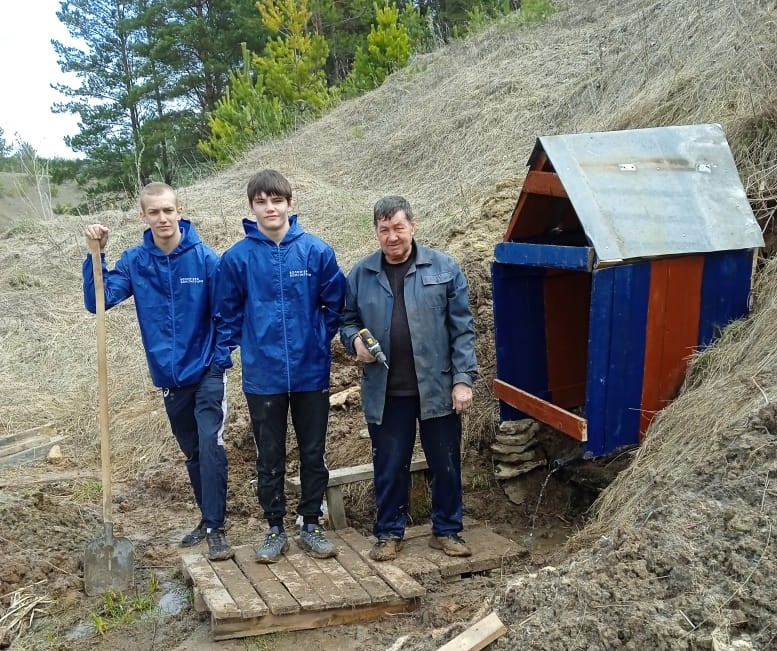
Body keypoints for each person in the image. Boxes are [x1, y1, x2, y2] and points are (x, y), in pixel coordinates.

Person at [82, 182, 234, 562]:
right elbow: (97, 301)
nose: (163, 218)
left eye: (168, 210)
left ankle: (217, 527)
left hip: (207, 370)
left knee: (210, 443)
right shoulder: (136, 262)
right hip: (169, 377)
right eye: (155, 212)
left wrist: (218, 361)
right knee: (193, 450)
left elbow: (227, 315)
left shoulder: (204, 259)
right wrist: (95, 257)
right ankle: (206, 518)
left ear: (179, 211)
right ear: (144, 217)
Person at [215, 169, 346, 563]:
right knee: (269, 456)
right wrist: (244, 348)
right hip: (263, 375)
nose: (270, 208)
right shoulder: (237, 259)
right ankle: (275, 528)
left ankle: (311, 524)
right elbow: (227, 313)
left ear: (290, 203)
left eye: (277, 200)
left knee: (313, 450)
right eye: (261, 201)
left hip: (310, 371)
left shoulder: (316, 251)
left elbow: (335, 304)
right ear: (252, 207)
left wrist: (316, 338)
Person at [339, 195, 478, 562]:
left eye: (399, 227)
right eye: (384, 230)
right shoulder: (362, 274)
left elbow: (462, 330)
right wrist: (354, 341)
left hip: (438, 388)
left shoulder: (444, 268)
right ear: (376, 232)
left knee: (445, 462)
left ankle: (447, 531)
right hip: (386, 391)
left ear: (413, 227)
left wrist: (463, 379)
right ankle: (388, 534)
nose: (392, 236)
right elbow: (346, 320)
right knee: (389, 464)